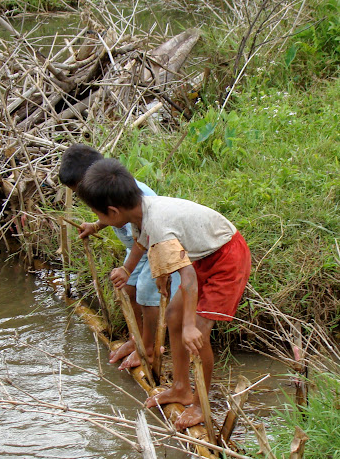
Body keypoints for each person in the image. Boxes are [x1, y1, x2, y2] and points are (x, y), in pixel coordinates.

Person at [76, 158, 251, 431]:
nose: (99, 221)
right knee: (172, 314)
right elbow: (140, 241)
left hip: (225, 259)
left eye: (99, 216)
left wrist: (191, 325)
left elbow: (189, 277)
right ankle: (181, 388)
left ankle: (201, 406)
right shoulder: (141, 212)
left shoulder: (156, 223)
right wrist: (127, 269)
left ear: (112, 211)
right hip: (202, 255)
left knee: (197, 334)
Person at [58, 144, 179, 370]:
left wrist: (127, 269)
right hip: (136, 251)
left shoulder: (135, 193)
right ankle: (137, 338)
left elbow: (146, 234)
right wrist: (95, 226)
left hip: (155, 247)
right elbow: (111, 215)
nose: (81, 197)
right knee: (127, 291)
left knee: (145, 292)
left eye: (79, 191)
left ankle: (150, 347)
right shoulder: (106, 194)